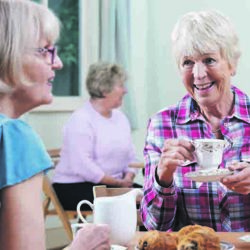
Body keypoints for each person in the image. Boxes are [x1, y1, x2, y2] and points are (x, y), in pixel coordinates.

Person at [0, 1, 110, 250]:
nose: (58, 62)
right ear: (9, 56)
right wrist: (81, 247)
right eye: (45, 50)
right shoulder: (14, 139)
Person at [140, 9, 250, 232]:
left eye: (209, 60)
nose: (198, 74)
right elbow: (154, 225)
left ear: (231, 63)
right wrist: (163, 178)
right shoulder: (162, 124)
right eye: (187, 62)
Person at [52, 61, 141, 211]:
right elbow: (83, 166)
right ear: (105, 90)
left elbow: (131, 157)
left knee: (152, 199)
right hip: (74, 187)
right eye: (120, 86)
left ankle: (148, 236)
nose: (125, 91)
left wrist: (128, 177)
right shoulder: (81, 119)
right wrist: (118, 184)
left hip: (112, 185)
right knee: (132, 201)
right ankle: (125, 235)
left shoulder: (121, 118)